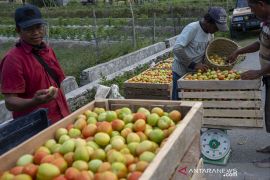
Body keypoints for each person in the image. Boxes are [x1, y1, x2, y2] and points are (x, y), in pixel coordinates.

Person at [0, 4, 70, 124]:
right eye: (29, 29)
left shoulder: (48, 51)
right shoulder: (13, 60)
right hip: (37, 127)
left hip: (62, 117)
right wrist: (34, 101)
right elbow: (10, 102)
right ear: (18, 30)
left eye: (39, 27)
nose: (36, 33)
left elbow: (58, 84)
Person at [228, 0, 270, 168]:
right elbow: (260, 43)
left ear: (261, 4)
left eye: (252, 8)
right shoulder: (266, 23)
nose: (252, 12)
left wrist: (259, 72)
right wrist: (239, 50)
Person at [171, 6, 228, 100]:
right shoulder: (193, 28)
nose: (217, 30)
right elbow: (177, 48)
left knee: (192, 101)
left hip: (194, 75)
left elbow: (206, 52)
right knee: (179, 102)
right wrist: (194, 65)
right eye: (216, 27)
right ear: (208, 22)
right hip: (181, 72)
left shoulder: (210, 34)